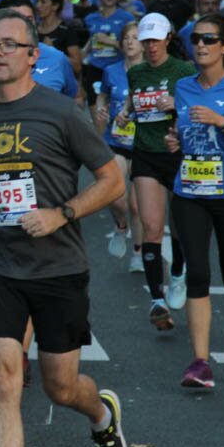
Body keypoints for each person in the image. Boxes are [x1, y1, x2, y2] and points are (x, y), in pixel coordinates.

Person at [0, 9, 127, 447]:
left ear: (33, 56)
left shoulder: (62, 111)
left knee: (60, 387)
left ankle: (102, 416)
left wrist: (61, 214)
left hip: (58, 265)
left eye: (10, 45)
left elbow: (111, 181)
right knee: (3, 380)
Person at [164, 13, 224, 388]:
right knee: (198, 275)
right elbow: (184, 132)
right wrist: (175, 140)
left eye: (209, 39)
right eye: (196, 40)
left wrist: (223, 123)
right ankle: (200, 362)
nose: (201, 45)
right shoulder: (183, 87)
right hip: (190, 193)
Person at [114, 13, 196, 330]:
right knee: (151, 227)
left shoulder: (184, 71)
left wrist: (175, 105)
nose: (150, 46)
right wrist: (123, 114)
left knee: (178, 227)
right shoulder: (137, 73)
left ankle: (177, 274)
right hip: (146, 152)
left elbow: (195, 109)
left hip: (176, 154)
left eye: (155, 40)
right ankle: (157, 300)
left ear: (168, 38)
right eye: (146, 40)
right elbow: (134, 103)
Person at [94, 22, 145, 272]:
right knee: (115, 195)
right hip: (115, 140)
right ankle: (120, 226)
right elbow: (102, 95)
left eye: (135, 37)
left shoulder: (150, 71)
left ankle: (137, 253)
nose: (130, 42)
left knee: (137, 204)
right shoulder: (111, 71)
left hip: (143, 144)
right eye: (126, 37)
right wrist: (101, 108)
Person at [82, 0, 136, 105]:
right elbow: (89, 43)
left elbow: (133, 49)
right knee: (96, 110)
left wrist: (110, 42)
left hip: (118, 68)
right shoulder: (90, 18)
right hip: (95, 68)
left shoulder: (126, 18)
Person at [37, 0, 83, 79]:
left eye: (43, 2)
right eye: (37, 1)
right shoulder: (32, 30)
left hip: (58, 81)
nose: (38, 6)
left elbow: (77, 66)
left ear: (55, 6)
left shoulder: (66, 31)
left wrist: (54, 51)